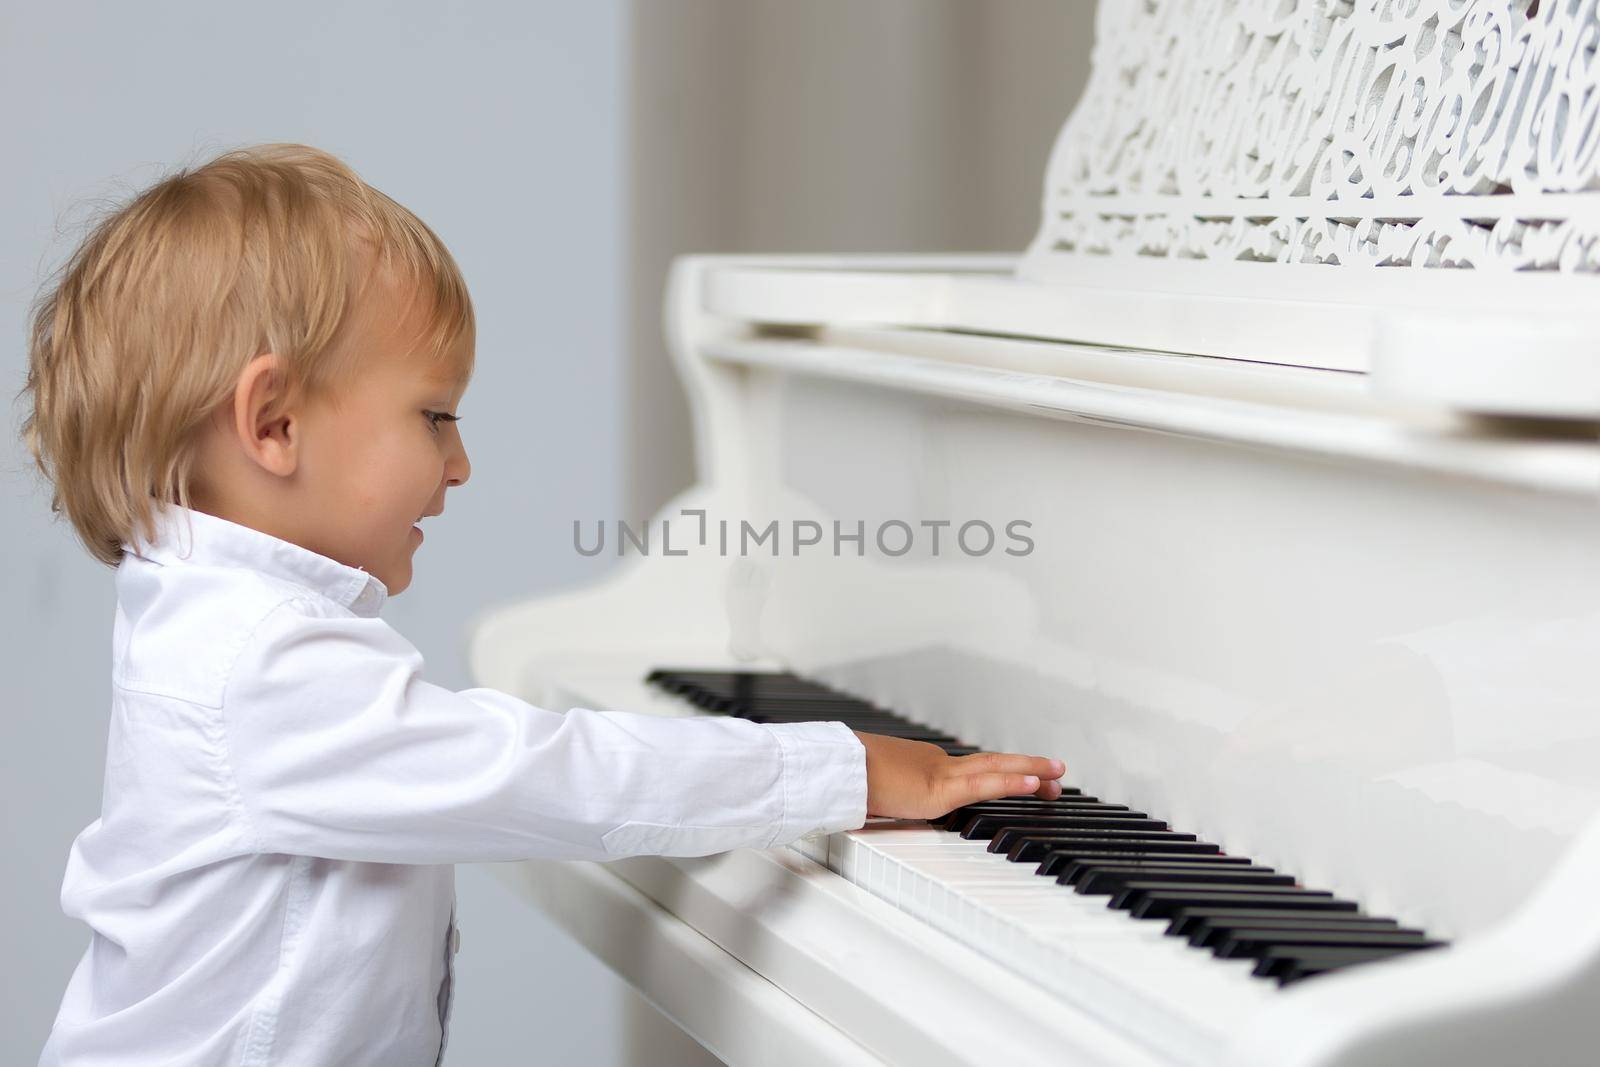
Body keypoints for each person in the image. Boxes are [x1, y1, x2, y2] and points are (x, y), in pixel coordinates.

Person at [19, 144, 1066, 1066]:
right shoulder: (247, 657)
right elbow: (541, 772)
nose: (461, 461)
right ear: (274, 420)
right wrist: (838, 764)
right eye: (433, 415)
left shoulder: (226, 623)